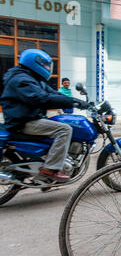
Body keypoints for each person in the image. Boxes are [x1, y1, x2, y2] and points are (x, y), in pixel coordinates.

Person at [0, 49, 89, 181]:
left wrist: (76, 101)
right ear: (34, 63)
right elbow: (41, 98)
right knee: (64, 129)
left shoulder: (33, 79)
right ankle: (50, 168)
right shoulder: (21, 79)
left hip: (29, 118)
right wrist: (73, 103)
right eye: (46, 65)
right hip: (23, 122)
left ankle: (50, 160)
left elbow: (53, 94)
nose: (48, 68)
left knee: (61, 124)